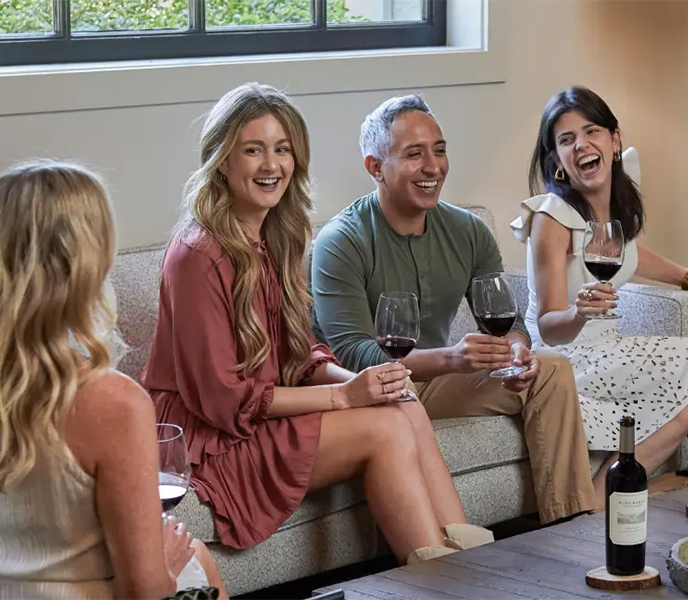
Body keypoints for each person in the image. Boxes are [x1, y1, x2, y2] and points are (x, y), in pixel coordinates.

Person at [142, 83, 492, 566]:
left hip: (259, 414)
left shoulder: (276, 235)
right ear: (223, 159)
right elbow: (224, 401)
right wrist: (345, 397)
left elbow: (300, 353)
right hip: (213, 436)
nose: (272, 165)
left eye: (282, 149)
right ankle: (442, 577)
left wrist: (359, 381)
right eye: (253, 150)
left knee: (402, 401)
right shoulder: (197, 255)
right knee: (386, 429)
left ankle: (470, 565)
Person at [0, 161, 226, 599]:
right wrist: (167, 563)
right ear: (89, 262)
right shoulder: (115, 402)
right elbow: (144, 590)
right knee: (194, 563)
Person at [312, 94, 598, 522]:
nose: (433, 167)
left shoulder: (468, 230)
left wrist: (517, 350)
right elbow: (354, 355)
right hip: (373, 398)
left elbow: (509, 321)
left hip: (434, 385)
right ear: (375, 167)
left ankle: (569, 527)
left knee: (551, 367)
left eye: (439, 150)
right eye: (414, 154)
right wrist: (451, 358)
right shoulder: (342, 242)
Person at [511, 85, 688, 500]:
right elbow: (548, 327)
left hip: (606, 352)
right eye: (566, 140)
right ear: (556, 159)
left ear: (614, 141)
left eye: (591, 131)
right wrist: (578, 313)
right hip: (565, 360)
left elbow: (631, 255)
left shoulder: (613, 204)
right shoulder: (552, 218)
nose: (581, 145)